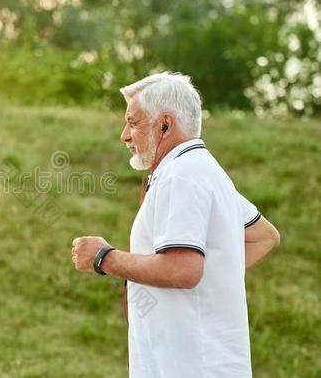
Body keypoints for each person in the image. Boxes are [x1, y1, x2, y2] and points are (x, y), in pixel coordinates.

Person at [71, 72, 281, 378]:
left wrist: (104, 257)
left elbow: (183, 269)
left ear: (165, 124)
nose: (124, 136)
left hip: (189, 366)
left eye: (133, 122)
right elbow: (264, 237)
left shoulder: (181, 175)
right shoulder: (203, 170)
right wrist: (211, 281)